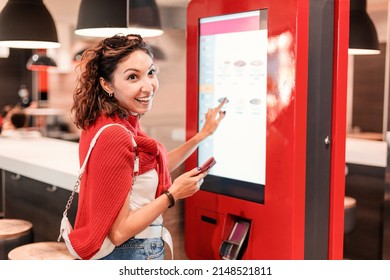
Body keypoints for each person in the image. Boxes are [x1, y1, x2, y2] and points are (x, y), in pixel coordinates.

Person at [69, 34, 227, 260]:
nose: (148, 86)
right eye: (133, 77)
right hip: (129, 254)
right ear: (106, 84)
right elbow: (119, 232)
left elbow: (148, 167)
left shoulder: (109, 121)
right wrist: (173, 195)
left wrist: (202, 136)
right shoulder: (116, 135)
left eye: (151, 73)